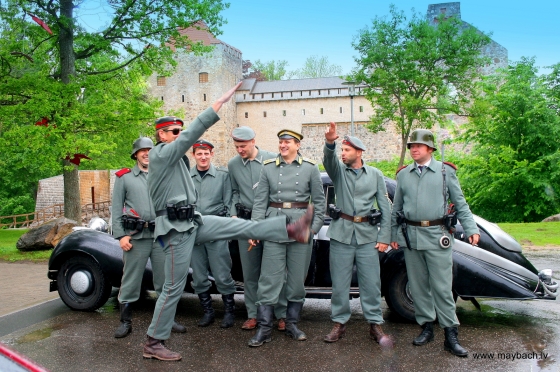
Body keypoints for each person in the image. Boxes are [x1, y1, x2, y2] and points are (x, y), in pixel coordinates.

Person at [142, 83, 315, 361]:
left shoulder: (177, 162)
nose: (178, 136)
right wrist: (217, 105)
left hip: (192, 222)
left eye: (178, 131)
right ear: (161, 135)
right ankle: (153, 341)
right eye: (173, 132)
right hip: (174, 231)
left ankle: (290, 227)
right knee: (172, 287)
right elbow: (190, 137)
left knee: (239, 225)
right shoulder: (161, 155)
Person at [390, 129, 480, 358]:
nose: (414, 149)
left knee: (442, 288)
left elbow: (461, 203)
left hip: (437, 236)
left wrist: (471, 229)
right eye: (411, 146)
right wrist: (389, 236)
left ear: (430, 148)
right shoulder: (403, 175)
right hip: (411, 237)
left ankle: (451, 335)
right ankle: (426, 328)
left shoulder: (444, 172)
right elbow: (396, 209)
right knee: (418, 288)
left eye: (418, 146)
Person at [248, 129, 326, 347]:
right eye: (280, 142)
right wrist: (255, 229)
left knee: (296, 281)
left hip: (301, 226)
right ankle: (264, 328)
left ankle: (291, 324)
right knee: (269, 279)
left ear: (297, 145)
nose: (283, 145)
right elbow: (260, 201)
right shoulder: (268, 168)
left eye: (287, 142)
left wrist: (313, 229)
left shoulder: (310, 168)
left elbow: (319, 203)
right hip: (274, 224)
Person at [322, 123, 394, 348]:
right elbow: (329, 160)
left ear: (359, 152)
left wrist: (384, 238)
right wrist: (330, 143)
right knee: (340, 283)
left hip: (367, 237)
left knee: (371, 283)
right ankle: (339, 323)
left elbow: (386, 206)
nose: (343, 154)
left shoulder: (374, 174)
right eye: (342, 150)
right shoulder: (339, 171)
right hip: (341, 234)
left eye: (347, 150)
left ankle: (374, 323)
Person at [111, 137, 186, 339]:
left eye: (150, 150)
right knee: (130, 281)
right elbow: (116, 209)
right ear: (135, 154)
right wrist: (121, 235)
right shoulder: (125, 177)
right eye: (142, 150)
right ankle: (125, 322)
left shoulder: (163, 175)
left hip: (161, 235)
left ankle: (167, 321)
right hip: (136, 237)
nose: (146, 154)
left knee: (165, 280)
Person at [228, 126, 287, 331]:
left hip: (270, 221)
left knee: (275, 272)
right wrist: (234, 214)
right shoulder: (234, 165)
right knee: (250, 273)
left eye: (243, 146)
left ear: (253, 141)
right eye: (236, 146)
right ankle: (253, 314)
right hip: (247, 223)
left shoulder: (272, 159)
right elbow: (234, 192)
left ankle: (281, 314)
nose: (239, 150)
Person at [190, 139, 236, 328]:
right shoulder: (186, 176)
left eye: (206, 153)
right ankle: (208, 312)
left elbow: (229, 200)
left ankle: (229, 312)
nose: (203, 157)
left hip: (216, 228)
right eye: (199, 153)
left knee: (222, 273)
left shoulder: (223, 175)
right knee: (199, 276)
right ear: (194, 155)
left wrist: (230, 222)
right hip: (194, 230)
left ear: (212, 154)